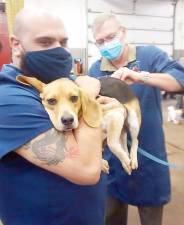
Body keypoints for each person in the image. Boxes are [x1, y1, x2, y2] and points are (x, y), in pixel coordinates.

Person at [0, 9, 121, 225]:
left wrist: (108, 110)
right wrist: (88, 98)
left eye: (63, 42)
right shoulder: (7, 98)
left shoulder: (61, 81)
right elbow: (85, 169)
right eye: (45, 42)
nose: (58, 51)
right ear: (16, 44)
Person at [89, 14, 184, 225]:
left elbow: (180, 80)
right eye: (100, 41)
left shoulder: (149, 55)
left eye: (110, 37)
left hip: (148, 154)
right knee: (110, 215)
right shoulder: (96, 69)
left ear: (123, 33)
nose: (106, 44)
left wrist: (142, 76)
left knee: (150, 216)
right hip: (113, 157)